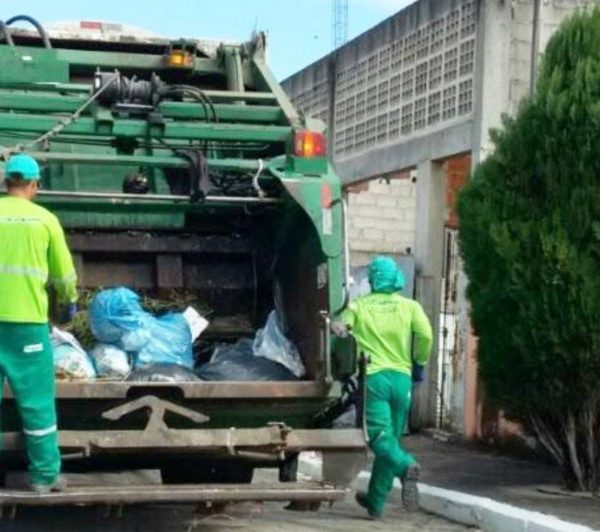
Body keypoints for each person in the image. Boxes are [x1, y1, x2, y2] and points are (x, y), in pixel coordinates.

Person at [0, 154, 78, 493]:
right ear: (34, 185)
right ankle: (45, 477)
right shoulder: (45, 220)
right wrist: (68, 304)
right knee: (36, 404)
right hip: (27, 324)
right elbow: (63, 275)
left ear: (6, 183)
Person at [333, 255, 433, 519]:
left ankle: (406, 467)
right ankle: (375, 502)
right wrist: (419, 363)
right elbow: (426, 334)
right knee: (391, 440)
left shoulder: (358, 307)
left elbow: (338, 328)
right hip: (402, 379)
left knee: (380, 439)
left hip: (374, 379)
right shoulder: (410, 307)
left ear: (372, 280)